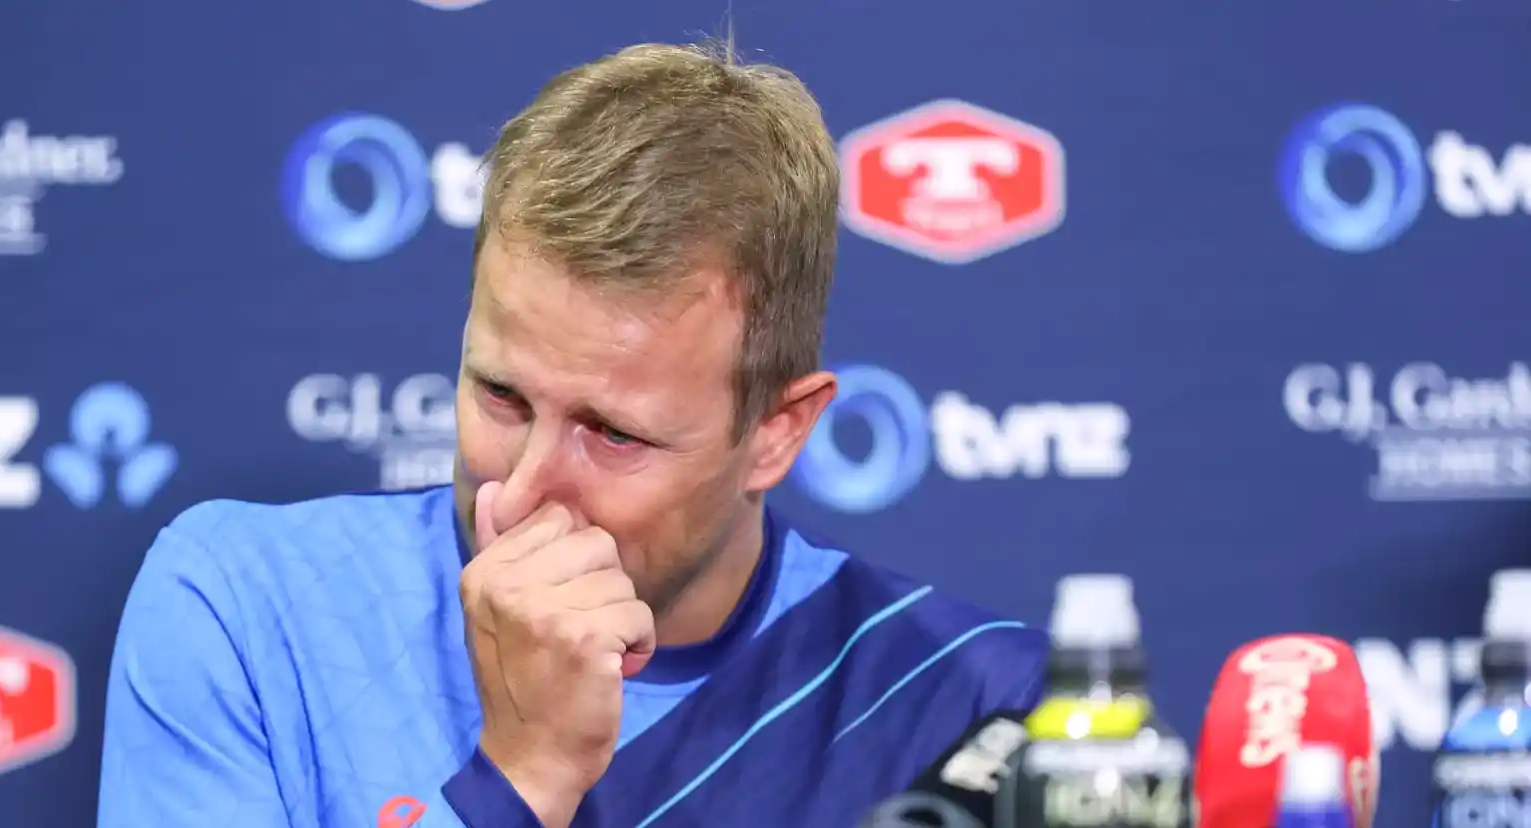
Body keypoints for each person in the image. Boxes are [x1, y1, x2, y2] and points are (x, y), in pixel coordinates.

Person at [97, 40, 1047, 828]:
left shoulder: (972, 707)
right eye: (501, 397)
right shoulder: (246, 607)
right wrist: (527, 775)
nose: (524, 489)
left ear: (775, 431)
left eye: (614, 434)